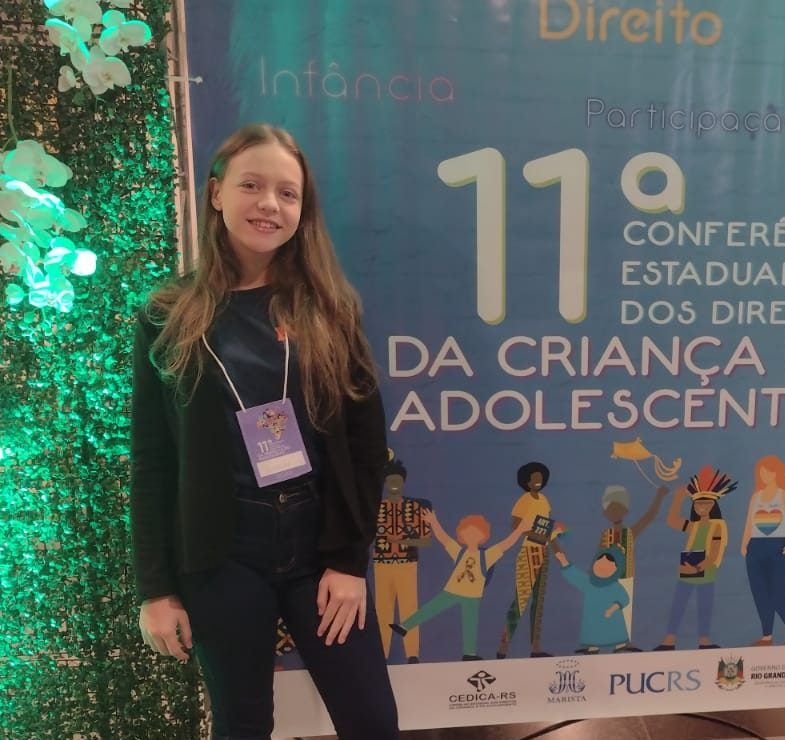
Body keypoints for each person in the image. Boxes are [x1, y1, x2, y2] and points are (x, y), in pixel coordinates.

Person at [131, 123, 399, 739]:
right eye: (251, 185)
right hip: (221, 555)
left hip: (319, 549)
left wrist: (349, 562)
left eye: (287, 193)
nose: (269, 204)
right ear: (216, 193)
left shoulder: (330, 308)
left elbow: (366, 447)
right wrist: (156, 591)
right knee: (242, 724)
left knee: (372, 721)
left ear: (303, 210)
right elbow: (151, 462)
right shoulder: (166, 315)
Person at [391, 511, 530, 660]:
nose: (471, 536)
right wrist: (434, 521)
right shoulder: (459, 552)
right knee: (430, 609)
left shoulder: (486, 555)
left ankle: (469, 654)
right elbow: (444, 538)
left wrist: (520, 530)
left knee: (470, 624)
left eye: (475, 533)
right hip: (451, 591)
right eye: (468, 533)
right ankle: (404, 626)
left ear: (483, 536)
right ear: (461, 535)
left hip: (472, 596)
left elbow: (506, 544)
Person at [653, 465, 736, 651]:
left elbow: (714, 553)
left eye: (706, 504)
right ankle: (669, 639)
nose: (701, 507)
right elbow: (672, 520)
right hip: (687, 570)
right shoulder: (695, 526)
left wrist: (697, 568)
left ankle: (704, 640)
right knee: (678, 604)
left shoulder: (717, 526)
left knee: (704, 605)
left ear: (713, 505)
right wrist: (678, 498)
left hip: (705, 572)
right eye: (698, 504)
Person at [497, 461, 560, 659]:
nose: (538, 482)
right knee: (521, 600)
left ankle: (536, 647)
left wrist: (557, 549)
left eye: (540, 479)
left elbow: (548, 527)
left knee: (538, 602)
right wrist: (535, 532)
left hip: (544, 552)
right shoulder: (524, 499)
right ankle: (504, 645)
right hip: (528, 551)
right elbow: (515, 524)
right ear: (527, 482)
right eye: (534, 479)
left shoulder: (544, 500)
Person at [595, 483, 668, 650]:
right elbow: (599, 554)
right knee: (608, 610)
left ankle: (623, 641)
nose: (615, 512)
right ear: (605, 513)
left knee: (624, 610)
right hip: (608, 580)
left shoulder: (629, 533)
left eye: (618, 508)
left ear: (625, 511)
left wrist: (659, 496)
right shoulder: (606, 535)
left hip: (625, 577)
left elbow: (649, 516)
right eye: (611, 509)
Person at [740, 455, 785, 646]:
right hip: (755, 547)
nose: (764, 475)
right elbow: (749, 522)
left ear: (776, 473)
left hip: (779, 546)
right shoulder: (755, 497)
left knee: (778, 589)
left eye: (768, 471)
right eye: (761, 472)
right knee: (759, 591)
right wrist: (744, 544)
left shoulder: (783, 495)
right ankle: (766, 635)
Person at [373, 459, 431, 663]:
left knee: (409, 608)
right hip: (381, 564)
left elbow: (425, 540)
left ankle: (412, 654)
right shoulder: (376, 509)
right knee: (383, 610)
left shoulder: (415, 508)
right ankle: (382, 654)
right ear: (385, 483)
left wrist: (402, 540)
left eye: (397, 480)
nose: (394, 484)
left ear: (404, 482)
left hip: (407, 563)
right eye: (390, 481)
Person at [554, 547, 631, 654]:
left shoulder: (615, 586)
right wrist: (564, 561)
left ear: (617, 570)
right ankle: (593, 647)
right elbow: (575, 576)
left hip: (611, 617)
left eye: (607, 566)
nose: (601, 568)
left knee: (615, 633)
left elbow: (624, 598)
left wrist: (613, 608)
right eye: (599, 564)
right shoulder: (589, 582)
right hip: (593, 617)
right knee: (593, 631)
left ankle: (620, 645)